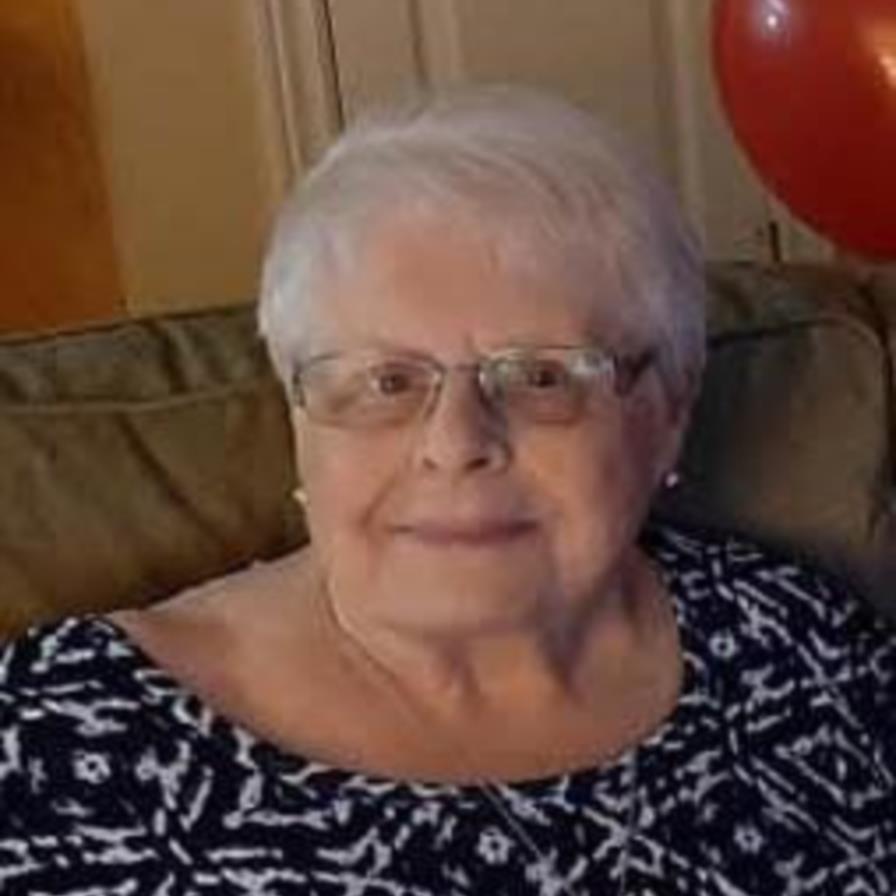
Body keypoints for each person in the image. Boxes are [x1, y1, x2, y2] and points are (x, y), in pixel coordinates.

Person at [1, 85, 894, 896]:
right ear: (301, 419)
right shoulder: (65, 734)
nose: (457, 444)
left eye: (542, 377)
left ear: (668, 412)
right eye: (386, 381)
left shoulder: (800, 645)